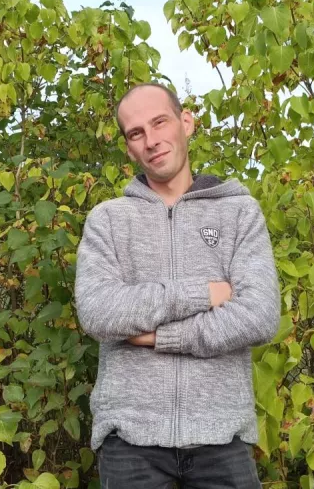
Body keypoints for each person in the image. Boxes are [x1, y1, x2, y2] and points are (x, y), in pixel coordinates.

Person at [73, 82, 281, 488]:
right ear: (129, 148)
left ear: (186, 122)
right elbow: (99, 312)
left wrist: (159, 337)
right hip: (130, 443)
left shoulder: (239, 212)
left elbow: (259, 316)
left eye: (159, 122)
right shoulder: (108, 220)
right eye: (136, 133)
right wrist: (204, 293)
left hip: (222, 438)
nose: (151, 140)